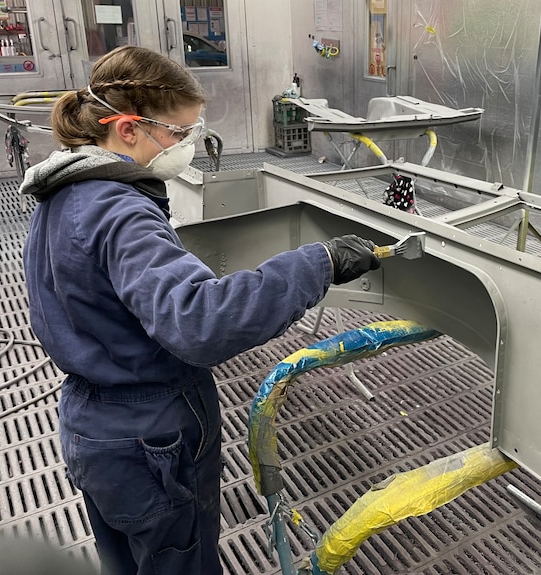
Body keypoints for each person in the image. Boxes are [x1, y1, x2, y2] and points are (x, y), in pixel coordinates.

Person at [20, 45, 380, 575]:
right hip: (150, 435)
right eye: (177, 133)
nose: (185, 145)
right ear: (126, 129)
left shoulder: (64, 191)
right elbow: (199, 321)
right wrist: (317, 265)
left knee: (129, 560)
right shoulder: (120, 211)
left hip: (89, 427)